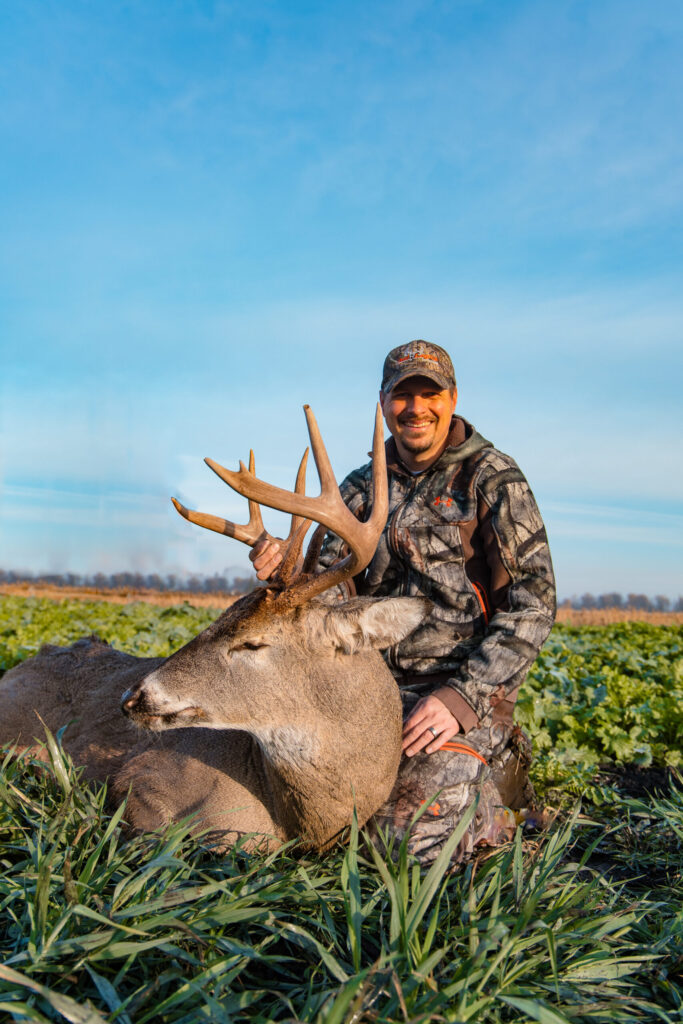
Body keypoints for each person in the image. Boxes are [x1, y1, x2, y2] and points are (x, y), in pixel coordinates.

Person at [251, 340, 556, 864]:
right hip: (369, 694)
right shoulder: (357, 488)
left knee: (398, 839)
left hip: (453, 696)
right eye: (402, 395)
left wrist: (462, 698)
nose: (416, 408)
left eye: (429, 393)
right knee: (315, 817)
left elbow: (533, 605)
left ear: (452, 398)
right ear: (383, 401)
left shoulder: (492, 478)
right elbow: (331, 593)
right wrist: (289, 573)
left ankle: (503, 799)